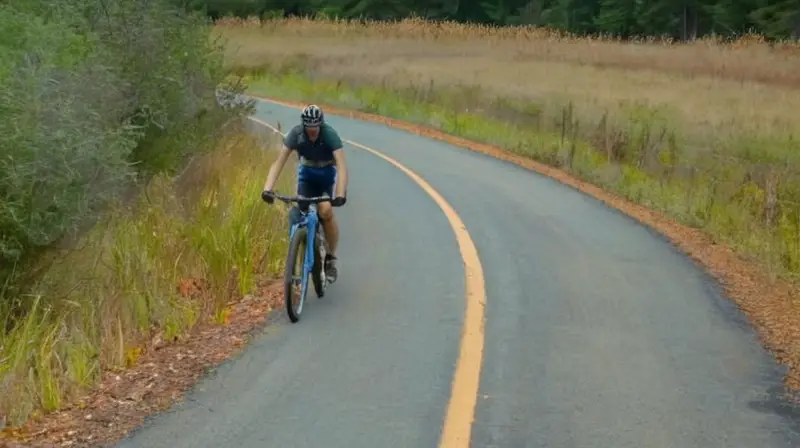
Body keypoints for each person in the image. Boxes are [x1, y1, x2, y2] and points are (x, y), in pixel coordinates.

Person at [261, 104, 348, 283]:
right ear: (303, 125)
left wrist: (340, 194)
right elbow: (279, 162)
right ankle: (296, 251)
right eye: (309, 127)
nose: (312, 131)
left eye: (315, 127)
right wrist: (267, 189)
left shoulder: (329, 134)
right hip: (307, 176)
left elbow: (341, 164)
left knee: (325, 211)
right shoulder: (296, 134)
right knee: (299, 210)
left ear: (320, 124)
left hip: (325, 176)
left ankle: (330, 258)